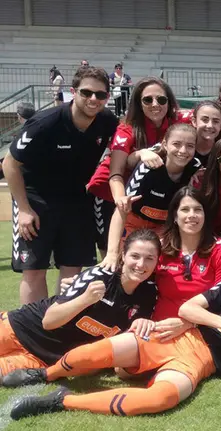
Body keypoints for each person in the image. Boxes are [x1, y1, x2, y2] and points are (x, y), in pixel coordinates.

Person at [4, 227, 221, 420]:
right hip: (180, 337)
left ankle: (62, 400)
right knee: (99, 352)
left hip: (202, 361)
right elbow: (189, 308)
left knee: (160, 398)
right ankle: (46, 374)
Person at [5, 66, 119, 304]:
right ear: (73, 92)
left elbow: (127, 142)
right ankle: (34, 324)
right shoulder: (45, 123)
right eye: (86, 92)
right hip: (36, 200)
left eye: (100, 94)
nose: (93, 99)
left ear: (107, 97)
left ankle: (62, 322)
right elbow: (9, 164)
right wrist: (24, 209)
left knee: (73, 269)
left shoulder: (107, 121)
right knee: (34, 270)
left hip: (77, 200)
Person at [0, 229, 159, 377]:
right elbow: (49, 321)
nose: (141, 264)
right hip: (18, 328)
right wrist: (85, 299)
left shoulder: (149, 294)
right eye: (135, 256)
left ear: (157, 261)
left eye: (149, 258)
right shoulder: (101, 276)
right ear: (123, 255)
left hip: (44, 358)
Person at [86, 77, 187, 258]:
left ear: (169, 102)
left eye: (161, 99)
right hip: (111, 194)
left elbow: (207, 114)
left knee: (147, 254)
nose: (155, 104)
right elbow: (115, 172)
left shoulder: (177, 123)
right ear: (139, 104)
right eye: (147, 100)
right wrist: (121, 199)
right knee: (114, 256)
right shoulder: (127, 128)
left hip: (144, 197)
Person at [101, 124, 202, 270]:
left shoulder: (195, 167)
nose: (183, 151)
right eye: (176, 144)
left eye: (190, 146)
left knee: (160, 269)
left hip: (163, 228)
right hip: (133, 223)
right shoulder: (148, 168)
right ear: (165, 144)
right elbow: (122, 208)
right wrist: (112, 253)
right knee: (122, 267)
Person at [149, 187, 221, 321]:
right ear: (175, 216)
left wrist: (187, 324)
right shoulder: (159, 248)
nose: (192, 215)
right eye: (185, 209)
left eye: (198, 210)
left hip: (201, 329)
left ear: (205, 215)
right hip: (157, 326)